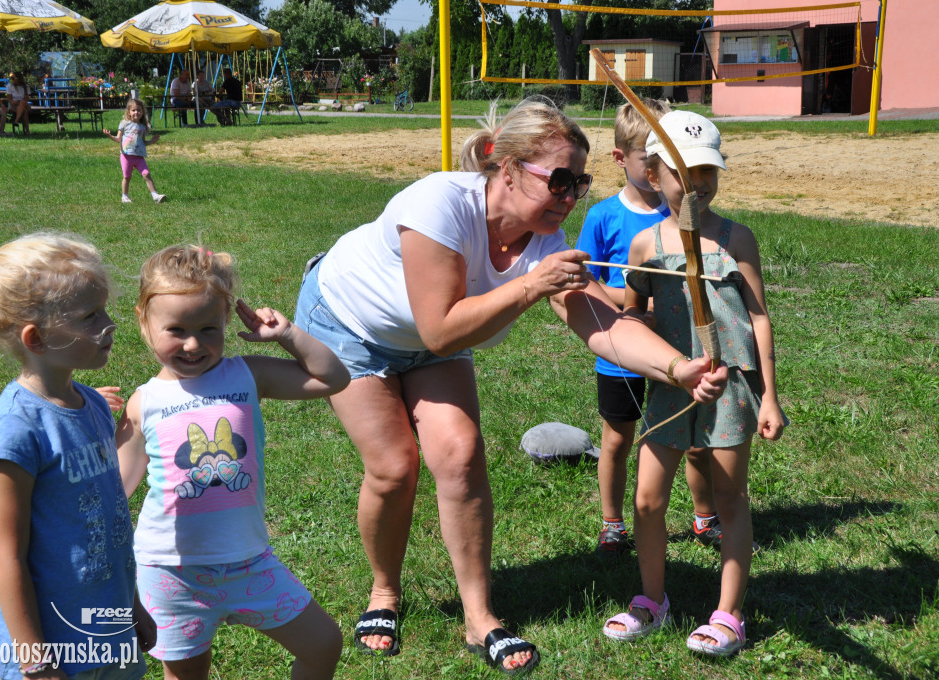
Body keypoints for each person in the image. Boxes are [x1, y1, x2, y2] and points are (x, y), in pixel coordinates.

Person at [293, 97, 727, 674]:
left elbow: (602, 324)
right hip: (349, 324)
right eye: (560, 181)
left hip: (430, 336)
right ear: (507, 166)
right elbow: (442, 329)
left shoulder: (545, 240)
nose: (570, 197)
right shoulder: (439, 203)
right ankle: (384, 594)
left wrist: (678, 368)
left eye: (581, 182)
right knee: (395, 466)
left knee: (461, 453)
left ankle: (479, 616)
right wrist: (530, 288)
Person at [0, 233, 154, 679]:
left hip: (108, 632)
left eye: (103, 308)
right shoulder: (16, 430)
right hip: (55, 651)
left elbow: (111, 521)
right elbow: (8, 557)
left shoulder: (95, 405)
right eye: (90, 315)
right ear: (37, 338)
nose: (110, 323)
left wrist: (133, 608)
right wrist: (37, 661)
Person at [115, 244, 348, 680]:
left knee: (324, 644)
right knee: (188, 673)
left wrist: (287, 335)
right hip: (170, 572)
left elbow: (332, 378)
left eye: (208, 328)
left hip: (248, 562)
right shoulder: (143, 403)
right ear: (143, 323)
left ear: (226, 319)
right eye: (176, 329)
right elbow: (114, 487)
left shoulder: (246, 374)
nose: (192, 344)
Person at [602, 111, 786, 657]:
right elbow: (632, 316)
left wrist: (769, 394)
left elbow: (757, 317)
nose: (698, 184)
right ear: (655, 175)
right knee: (648, 500)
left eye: (709, 172)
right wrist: (651, 340)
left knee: (730, 498)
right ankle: (651, 600)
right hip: (670, 389)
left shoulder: (736, 238)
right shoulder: (645, 246)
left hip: (730, 389)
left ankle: (729, 614)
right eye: (685, 173)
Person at [577, 100, 729, 558]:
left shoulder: (691, 216)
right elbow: (587, 279)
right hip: (623, 351)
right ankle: (612, 523)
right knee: (618, 437)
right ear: (627, 160)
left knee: (694, 439)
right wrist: (629, 307)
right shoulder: (604, 216)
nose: (666, 173)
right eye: (652, 159)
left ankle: (705, 516)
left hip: (683, 349)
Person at [103, 99, 166, 204]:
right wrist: (110, 136)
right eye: (133, 110)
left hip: (139, 157)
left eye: (139, 110)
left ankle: (155, 196)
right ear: (129, 112)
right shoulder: (124, 124)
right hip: (126, 156)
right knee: (127, 177)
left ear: (142, 112)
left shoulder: (143, 127)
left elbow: (143, 142)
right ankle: (125, 196)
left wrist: (152, 141)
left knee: (146, 174)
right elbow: (119, 139)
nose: (136, 112)